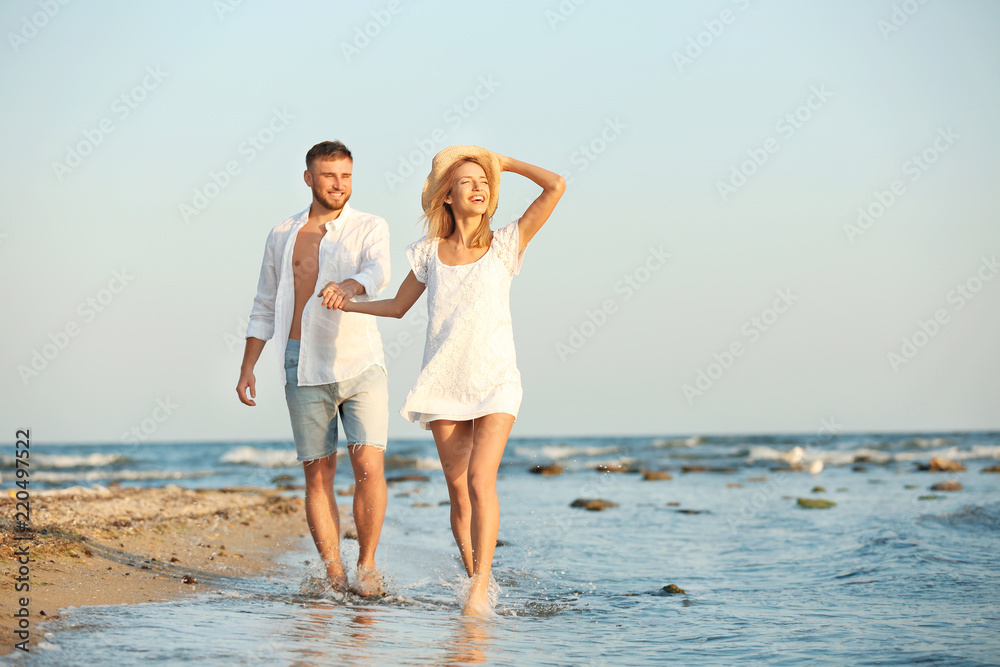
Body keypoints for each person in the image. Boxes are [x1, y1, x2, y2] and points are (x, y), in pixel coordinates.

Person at [319, 146, 565, 614]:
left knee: (478, 479)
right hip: (444, 381)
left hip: (496, 379)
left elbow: (556, 186)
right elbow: (395, 307)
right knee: (457, 489)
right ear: (446, 195)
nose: (479, 188)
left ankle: (479, 589)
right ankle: (475, 577)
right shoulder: (428, 253)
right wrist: (346, 303)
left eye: (484, 183)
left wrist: (504, 164)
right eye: (468, 181)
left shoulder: (507, 242)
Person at [237, 140, 391, 596]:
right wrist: (248, 367)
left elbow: (379, 270)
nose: (338, 184)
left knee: (368, 464)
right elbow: (265, 304)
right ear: (309, 178)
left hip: (361, 361)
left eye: (345, 175)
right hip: (300, 363)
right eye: (328, 175)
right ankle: (334, 574)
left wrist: (349, 284)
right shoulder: (282, 234)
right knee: (318, 473)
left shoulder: (369, 225)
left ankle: (366, 567)